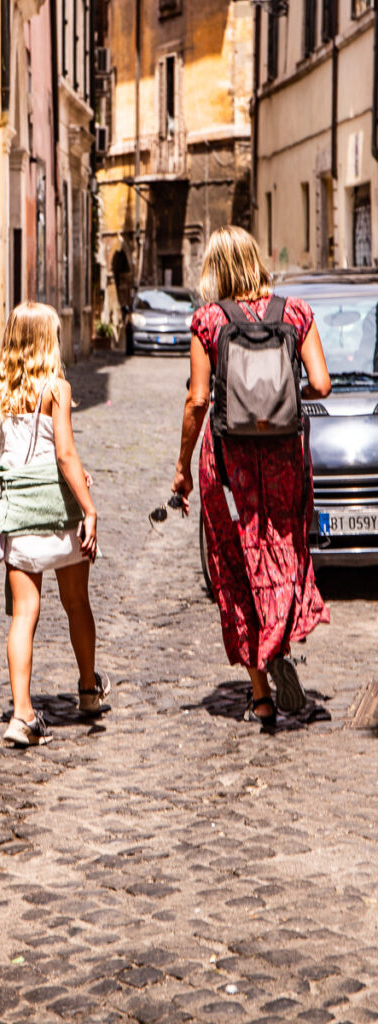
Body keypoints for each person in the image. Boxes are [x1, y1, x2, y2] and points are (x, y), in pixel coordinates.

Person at [172, 225, 331, 728]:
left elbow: (198, 400)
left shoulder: (208, 321)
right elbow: (322, 385)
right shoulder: (296, 313)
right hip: (283, 460)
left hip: (228, 464)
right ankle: (279, 639)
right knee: (283, 551)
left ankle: (260, 693)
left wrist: (181, 468)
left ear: (214, 269)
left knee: (236, 566)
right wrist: (277, 405)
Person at [0, 301, 109, 747]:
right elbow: (63, 455)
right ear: (46, 340)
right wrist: (89, 507)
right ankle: (88, 691)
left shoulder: (2, 388)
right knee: (77, 603)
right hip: (57, 512)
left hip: (18, 510)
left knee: (23, 615)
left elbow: (23, 455)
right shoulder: (55, 387)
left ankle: (22, 715)